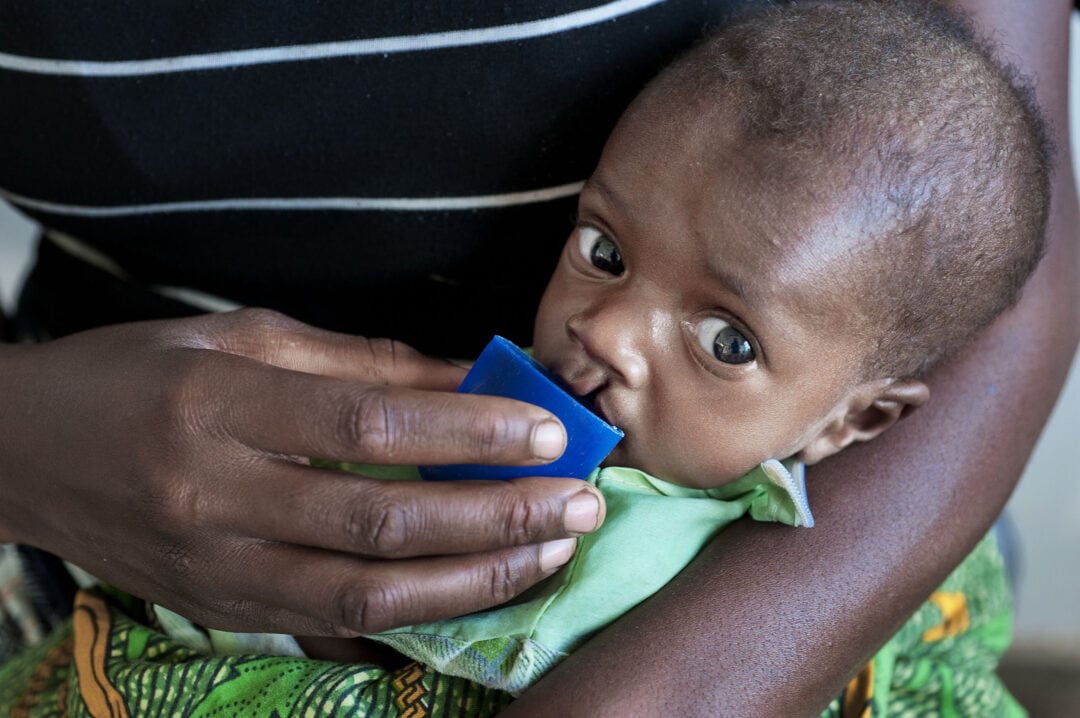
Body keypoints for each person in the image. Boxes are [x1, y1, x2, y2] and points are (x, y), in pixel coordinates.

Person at [0, 0, 1076, 716]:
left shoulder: (794, 513)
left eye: (726, 341)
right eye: (603, 251)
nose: (605, 334)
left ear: (852, 421)